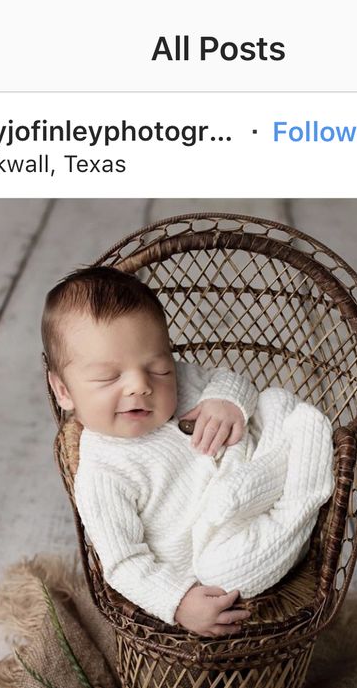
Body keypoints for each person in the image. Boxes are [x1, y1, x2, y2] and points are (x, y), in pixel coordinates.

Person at [42, 265, 334, 636]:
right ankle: (299, 502)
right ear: (63, 390)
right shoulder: (102, 474)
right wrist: (178, 601)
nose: (140, 386)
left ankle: (291, 455)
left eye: (157, 369)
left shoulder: (181, 379)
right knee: (227, 570)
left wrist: (226, 401)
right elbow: (124, 563)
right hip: (223, 541)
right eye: (109, 377)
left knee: (274, 404)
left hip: (250, 460)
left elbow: (229, 380)